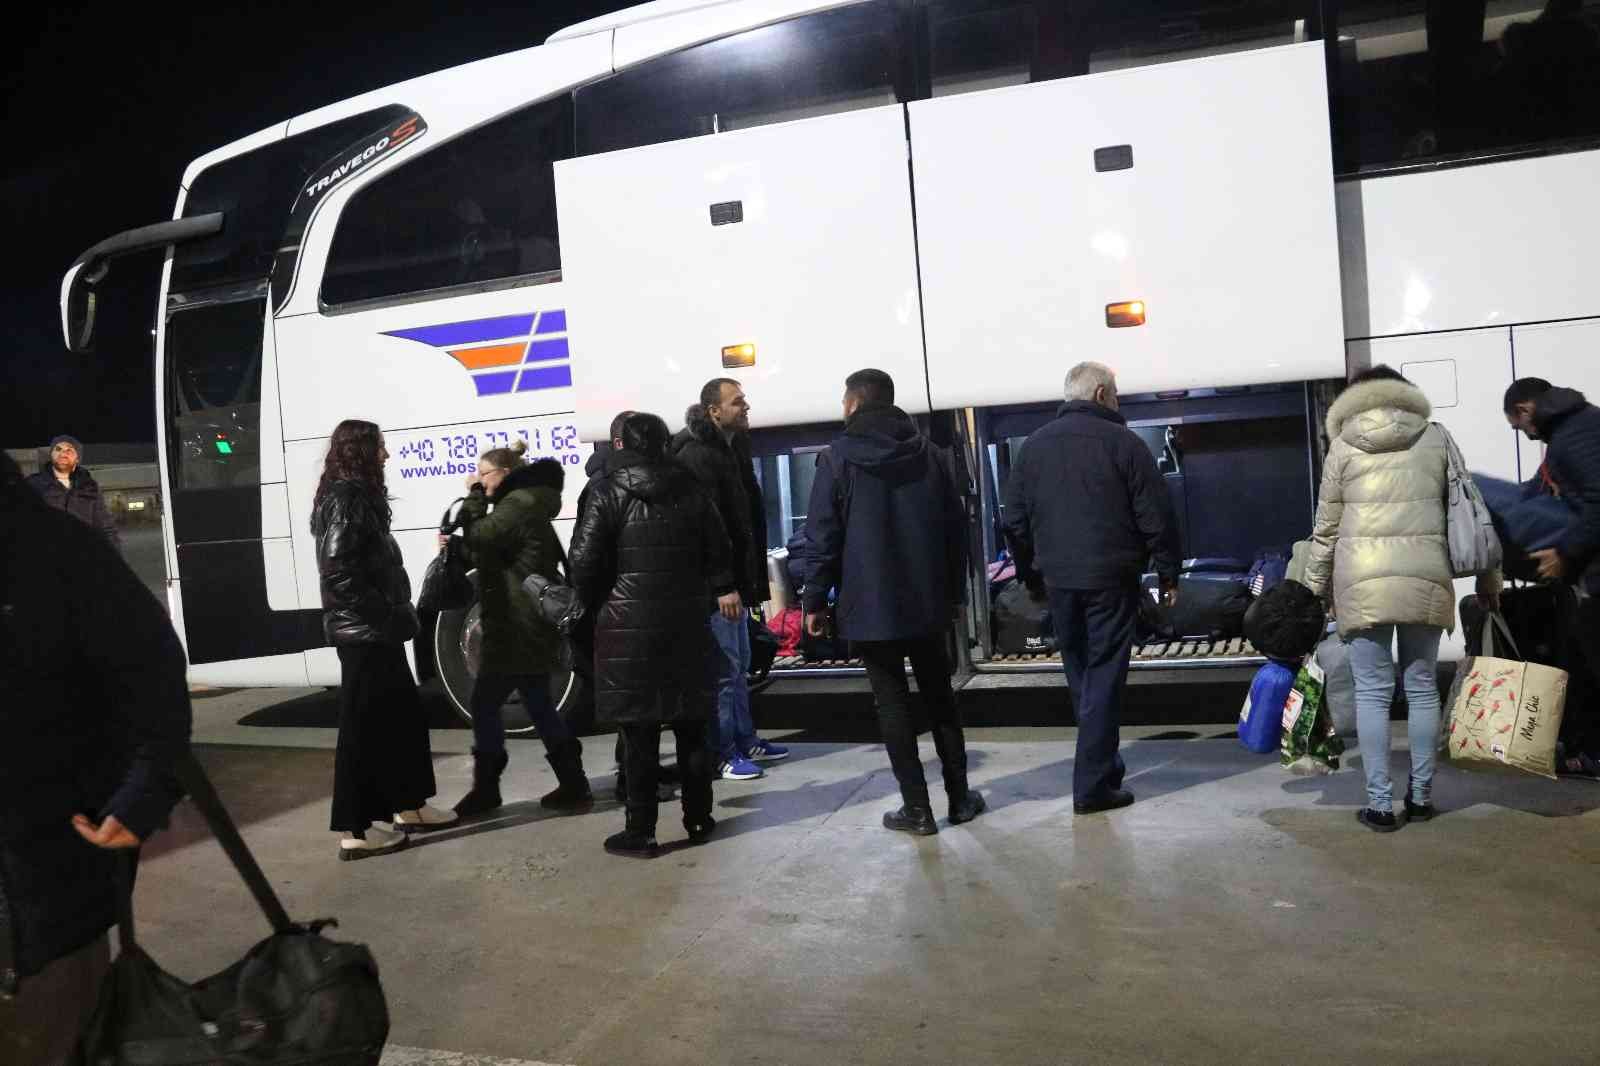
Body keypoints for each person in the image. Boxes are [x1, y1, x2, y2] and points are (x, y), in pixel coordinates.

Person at [0, 451, 191, 1064]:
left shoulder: (55, 552)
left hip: (45, 891)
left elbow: (154, 676)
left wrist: (140, 797)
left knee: (53, 1032)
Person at [1306, 366, 1499, 832]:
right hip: (1425, 578)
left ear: (1356, 400)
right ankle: (1420, 798)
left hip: (1362, 583)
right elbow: (1470, 507)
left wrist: (1312, 591)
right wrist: (1490, 577)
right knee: (1421, 688)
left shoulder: (1343, 446)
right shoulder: (1435, 437)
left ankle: (1379, 805)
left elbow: (1326, 529)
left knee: (1372, 694)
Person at [801, 369, 984, 835]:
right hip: (927, 602)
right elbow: (956, 531)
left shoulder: (837, 458)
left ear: (854, 403)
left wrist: (815, 601)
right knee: (941, 700)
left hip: (870, 604)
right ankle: (960, 799)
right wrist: (956, 594)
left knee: (893, 706)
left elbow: (822, 536)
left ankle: (917, 809)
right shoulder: (931, 455)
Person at [1002, 362, 1180, 815]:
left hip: (1059, 581)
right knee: (1104, 676)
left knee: (1082, 673)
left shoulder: (1035, 447)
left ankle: (1104, 766)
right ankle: (1092, 787)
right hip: (1110, 580)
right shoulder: (1125, 444)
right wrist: (1167, 573)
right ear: (1101, 394)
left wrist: (1030, 574)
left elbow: (1014, 520)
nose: (1118, 401)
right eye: (1117, 393)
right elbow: (1154, 513)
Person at [569, 412, 733, 856]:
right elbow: (720, 551)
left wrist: (591, 602)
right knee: (692, 727)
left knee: (639, 736)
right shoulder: (691, 489)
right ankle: (699, 818)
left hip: (626, 629)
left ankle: (640, 831)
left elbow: (583, 563)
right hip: (686, 624)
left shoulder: (605, 492)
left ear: (620, 444)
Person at [312, 419, 455, 859]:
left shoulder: (357, 496)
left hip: (376, 630)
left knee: (400, 720)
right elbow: (338, 570)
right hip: (365, 632)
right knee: (364, 727)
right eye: (380, 448)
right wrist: (383, 612)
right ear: (360, 452)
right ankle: (355, 830)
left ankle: (408, 805)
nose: (386, 456)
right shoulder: (347, 498)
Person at [448, 443, 592, 817]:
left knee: (485, 703)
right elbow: (493, 551)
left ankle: (487, 788)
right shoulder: (525, 504)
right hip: (521, 622)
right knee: (539, 703)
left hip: (516, 625)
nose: (478, 480)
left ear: (504, 475)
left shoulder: (518, 505)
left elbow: (482, 536)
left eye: (484, 474)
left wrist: (474, 498)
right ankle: (572, 782)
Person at [673, 378, 788, 780]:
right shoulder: (699, 457)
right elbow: (707, 528)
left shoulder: (730, 449)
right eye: (737, 402)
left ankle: (745, 739)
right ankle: (723, 753)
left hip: (734, 584)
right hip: (719, 590)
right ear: (713, 411)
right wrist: (723, 584)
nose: (746, 407)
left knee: (736, 668)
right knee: (724, 672)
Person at [1505, 376, 1600, 778]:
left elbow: (1597, 501)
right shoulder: (1576, 427)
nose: (1523, 434)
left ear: (1526, 410)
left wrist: (1564, 553)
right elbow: (1540, 491)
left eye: (1517, 425)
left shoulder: (1572, 437)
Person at [25, 434, 121, 551]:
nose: (63, 453)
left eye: (69, 450)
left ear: (77, 458)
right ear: (51, 455)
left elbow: (106, 527)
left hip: (83, 558)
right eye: (58, 449)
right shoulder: (33, 484)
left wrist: (114, 556)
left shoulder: (90, 486)